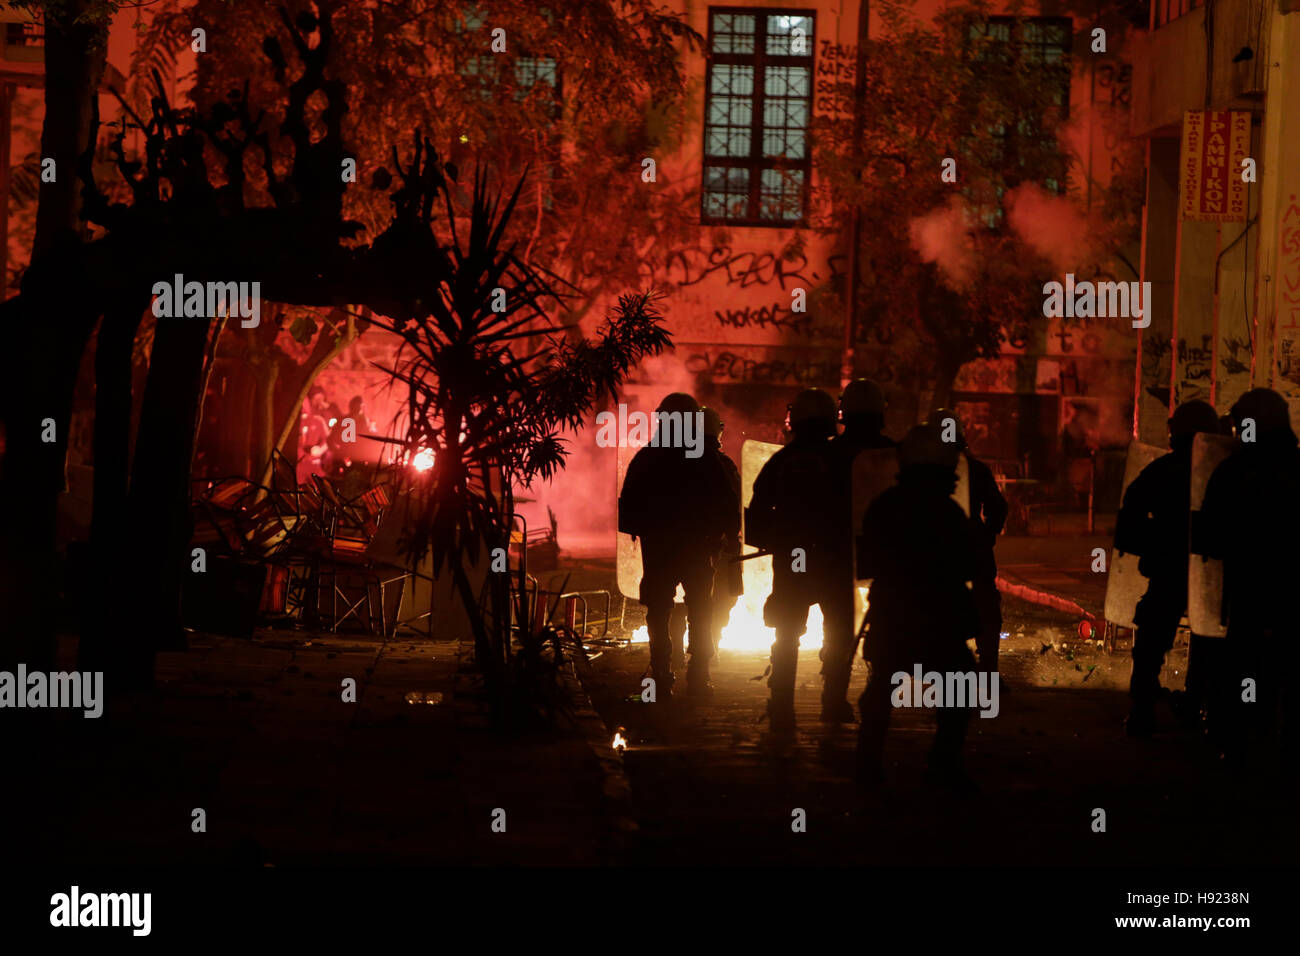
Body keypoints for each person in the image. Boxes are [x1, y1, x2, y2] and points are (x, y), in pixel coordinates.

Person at [855, 424, 980, 789]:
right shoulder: (949, 512)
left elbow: (865, 564)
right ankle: (943, 765)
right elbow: (967, 566)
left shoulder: (885, 506)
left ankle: (867, 763)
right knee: (959, 687)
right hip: (941, 620)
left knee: (881, 689)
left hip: (893, 616)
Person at [1195, 388, 1300, 768]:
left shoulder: (1234, 471)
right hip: (1291, 594)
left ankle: (1242, 741)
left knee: (1246, 668)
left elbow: (1208, 536)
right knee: (1288, 667)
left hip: (1249, 593)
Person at [619, 393, 740, 699]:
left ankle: (662, 673)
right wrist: (728, 536)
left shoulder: (648, 457)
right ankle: (699, 675)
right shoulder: (705, 457)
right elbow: (726, 501)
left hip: (660, 548)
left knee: (659, 610)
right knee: (700, 608)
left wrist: (643, 530)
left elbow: (629, 506)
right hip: (698, 547)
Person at [1114, 399, 1221, 737]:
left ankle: (1143, 709)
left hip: (1172, 572)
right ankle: (1197, 707)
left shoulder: (1161, 471)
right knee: (1207, 643)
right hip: (1209, 575)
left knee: (1152, 640)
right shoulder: (1222, 473)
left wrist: (1156, 544)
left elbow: (1127, 525)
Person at [746, 388, 840, 733]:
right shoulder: (841, 459)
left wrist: (773, 541)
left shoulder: (782, 461)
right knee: (838, 628)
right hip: (831, 558)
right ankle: (834, 702)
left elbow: (758, 508)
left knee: (787, 629)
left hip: (794, 558)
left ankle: (782, 703)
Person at [821, 379, 896, 723]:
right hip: (884, 557)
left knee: (838, 628)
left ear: (844, 412)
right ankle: (877, 696)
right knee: (883, 627)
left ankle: (834, 697)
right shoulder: (895, 455)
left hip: (835, 555)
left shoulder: (828, 454)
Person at [928, 408, 1008, 678]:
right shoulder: (975, 469)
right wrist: (985, 536)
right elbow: (998, 508)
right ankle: (987, 669)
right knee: (985, 610)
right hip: (972, 550)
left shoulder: (922, 471)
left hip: (937, 551)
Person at [701, 406, 743, 662]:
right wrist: (732, 537)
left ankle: (669, 660)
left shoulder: (668, 463)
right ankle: (705, 655)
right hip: (717, 545)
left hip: (680, 545)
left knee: (679, 603)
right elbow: (734, 502)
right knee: (718, 599)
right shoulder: (722, 465)